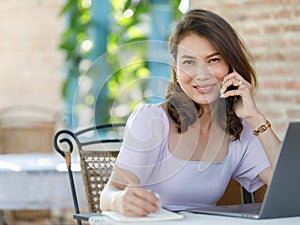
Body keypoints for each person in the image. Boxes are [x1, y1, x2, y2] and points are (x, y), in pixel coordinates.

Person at [100, 9, 281, 217]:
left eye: (213, 60)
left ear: (230, 65)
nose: (201, 74)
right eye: (189, 62)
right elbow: (108, 194)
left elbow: (290, 188)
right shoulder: (153, 121)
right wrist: (119, 201)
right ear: (175, 68)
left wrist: (256, 118)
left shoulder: (240, 131)